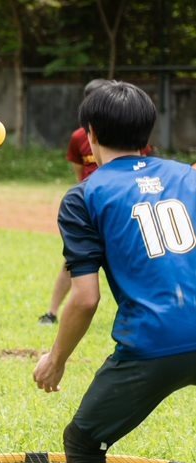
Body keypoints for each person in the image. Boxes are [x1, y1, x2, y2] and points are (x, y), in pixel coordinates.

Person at [33, 81, 196, 463]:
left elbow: (85, 298)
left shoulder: (84, 195)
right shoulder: (189, 175)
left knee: (83, 444)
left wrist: (56, 359)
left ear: (89, 133)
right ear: (149, 129)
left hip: (153, 343)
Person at [38, 79, 152, 325]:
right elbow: (79, 170)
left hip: (122, 204)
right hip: (94, 204)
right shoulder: (79, 139)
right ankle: (52, 311)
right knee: (72, 265)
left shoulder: (128, 135)